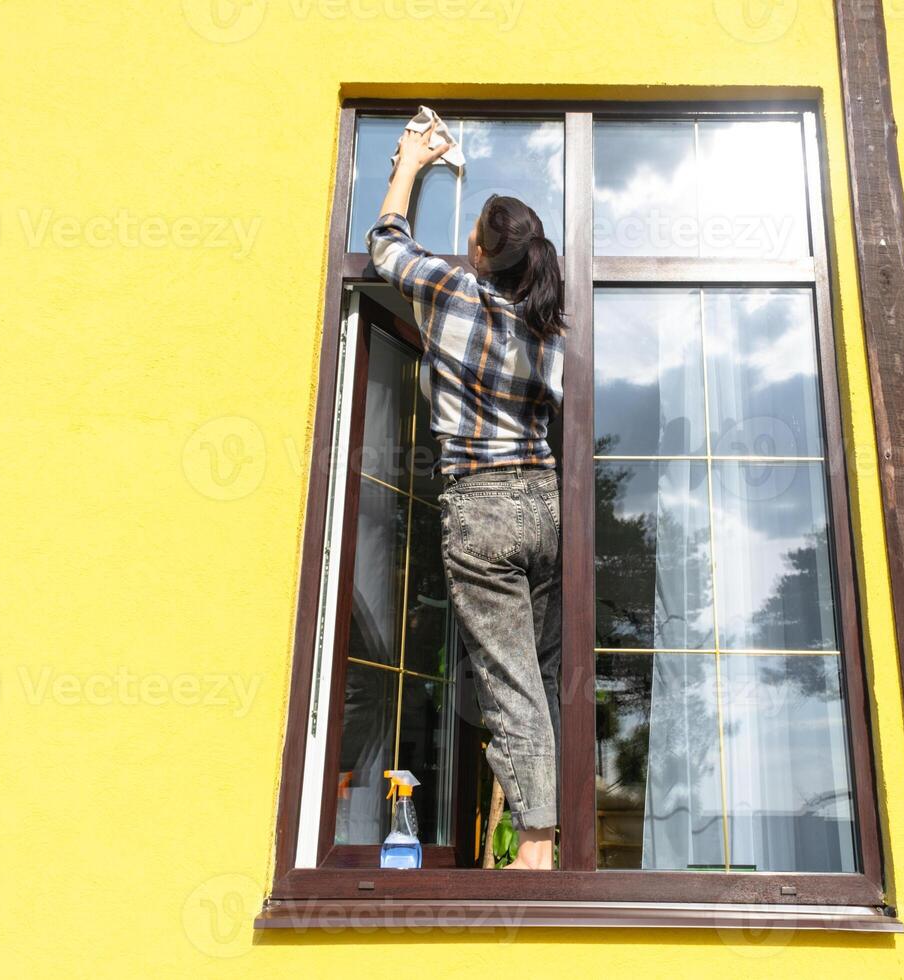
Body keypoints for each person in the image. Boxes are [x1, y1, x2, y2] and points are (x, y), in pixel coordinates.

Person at [367, 128, 565, 870]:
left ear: (477, 254)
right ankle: (551, 828)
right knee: (541, 675)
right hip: (545, 503)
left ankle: (538, 850)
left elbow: (385, 244)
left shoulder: (451, 290)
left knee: (510, 682)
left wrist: (410, 165)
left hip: (481, 506)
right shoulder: (548, 327)